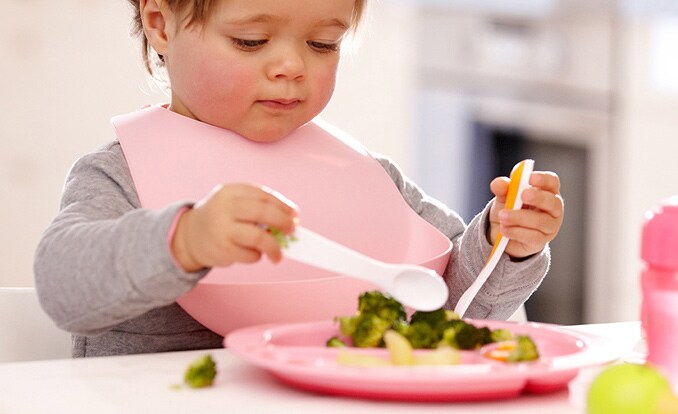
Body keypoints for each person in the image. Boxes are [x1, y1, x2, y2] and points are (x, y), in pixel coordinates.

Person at [34, 0, 564, 357]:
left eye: (322, 45)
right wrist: (182, 240)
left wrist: (503, 245)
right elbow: (63, 288)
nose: (290, 66)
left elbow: (449, 301)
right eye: (250, 40)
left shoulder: (365, 177)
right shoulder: (124, 174)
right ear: (160, 23)